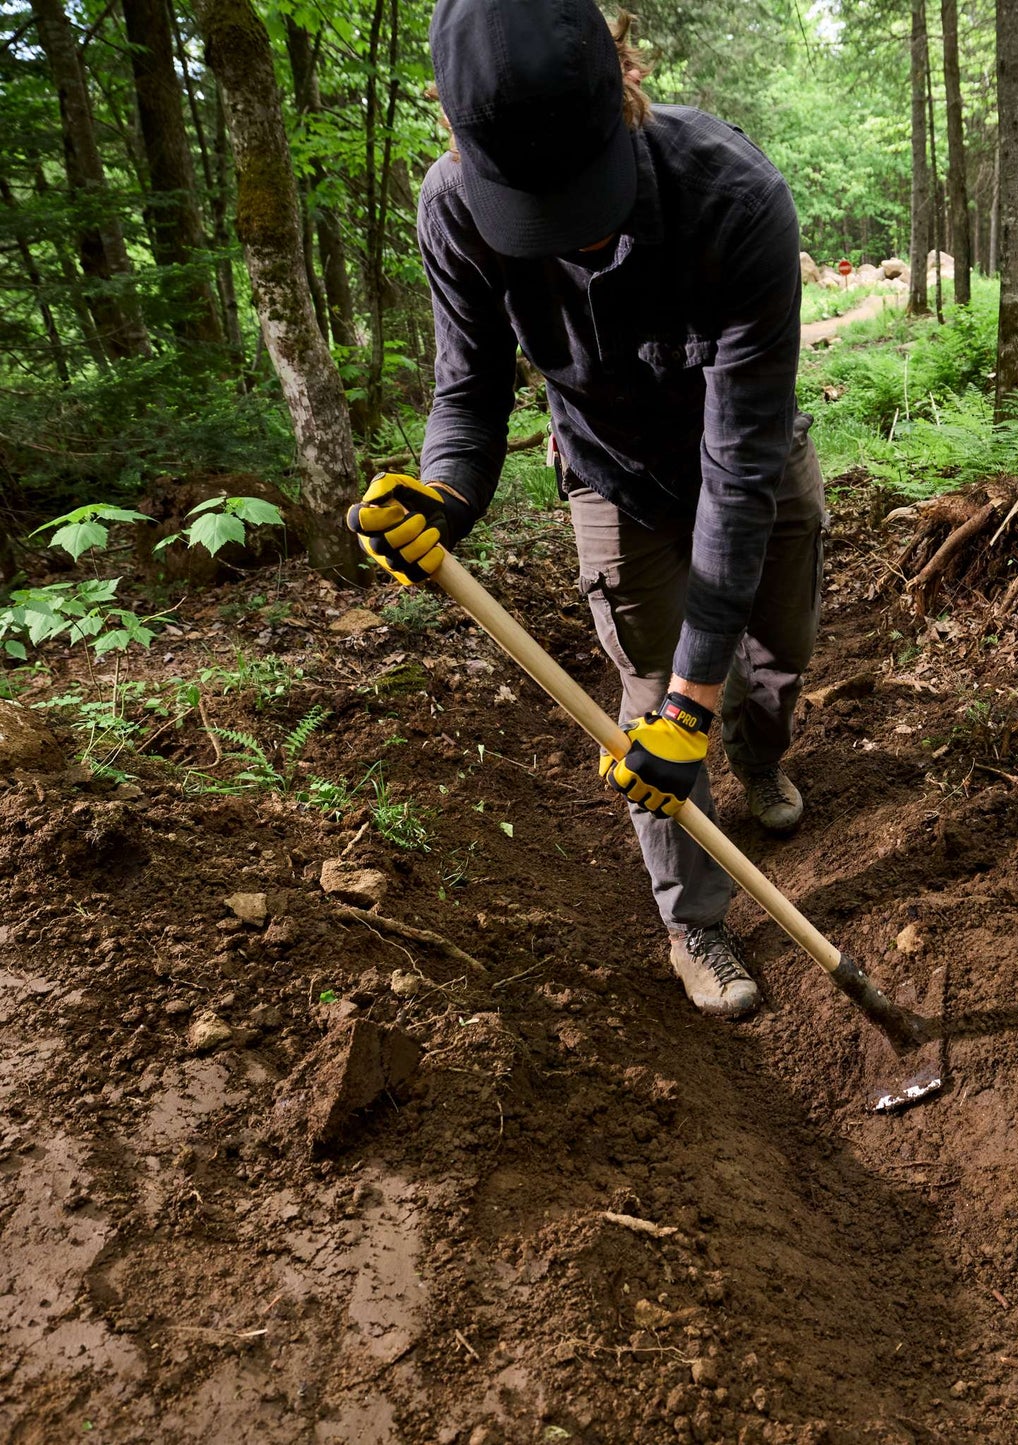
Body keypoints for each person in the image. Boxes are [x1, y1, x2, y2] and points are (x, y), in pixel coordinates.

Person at [345, 0, 824, 1021]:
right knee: (650, 697)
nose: (577, 230)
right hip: (609, 471)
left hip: (752, 453)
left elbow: (737, 472)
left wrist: (705, 706)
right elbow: (468, 392)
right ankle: (692, 916)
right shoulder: (450, 209)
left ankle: (759, 746)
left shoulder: (733, 197)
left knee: (773, 649)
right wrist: (443, 495)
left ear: (625, 84)